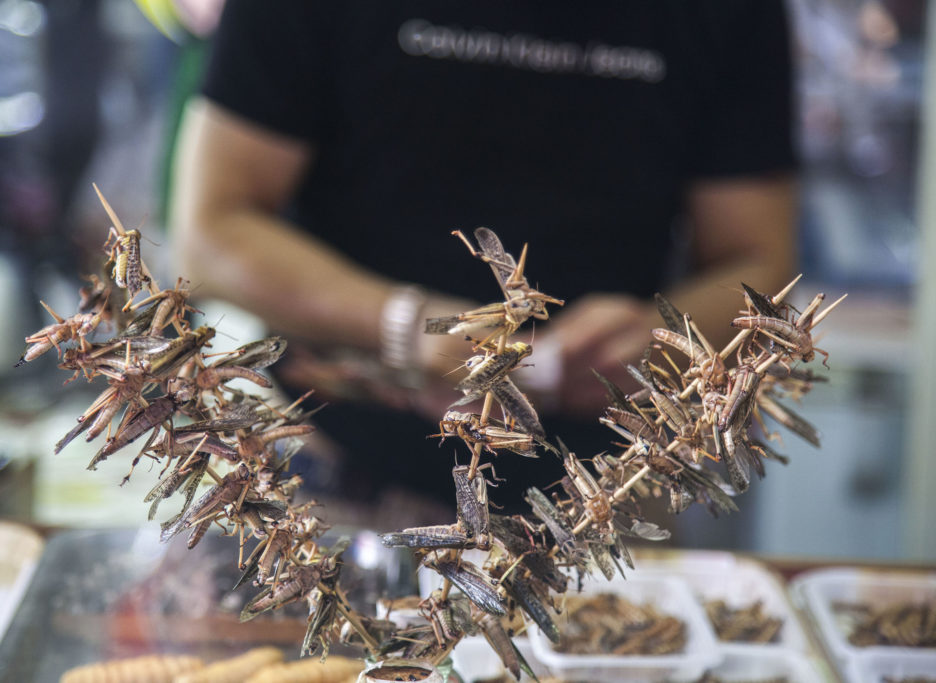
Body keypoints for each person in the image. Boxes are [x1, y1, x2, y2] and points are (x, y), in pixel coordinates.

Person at [169, 1, 797, 511]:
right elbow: (211, 231)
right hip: (323, 466)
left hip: (611, 484)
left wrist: (660, 338)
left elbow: (761, 262)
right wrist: (403, 326)